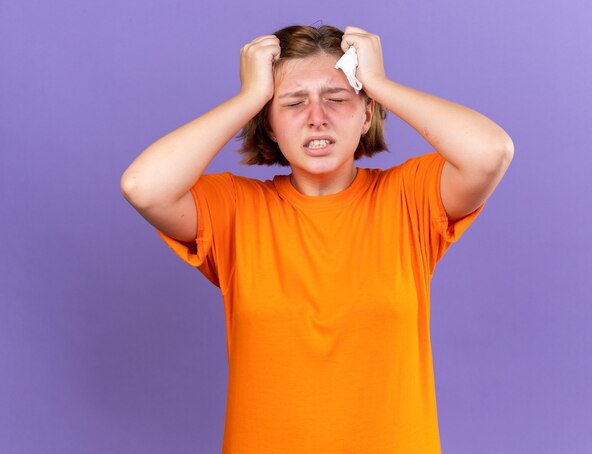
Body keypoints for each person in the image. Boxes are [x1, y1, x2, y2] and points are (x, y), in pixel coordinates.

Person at [120, 24, 514, 453]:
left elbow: (490, 151)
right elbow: (144, 186)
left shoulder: (409, 198)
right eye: (293, 102)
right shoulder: (234, 209)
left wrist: (379, 84)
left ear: (367, 114)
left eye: (337, 98)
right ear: (268, 125)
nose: (316, 117)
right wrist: (249, 98)